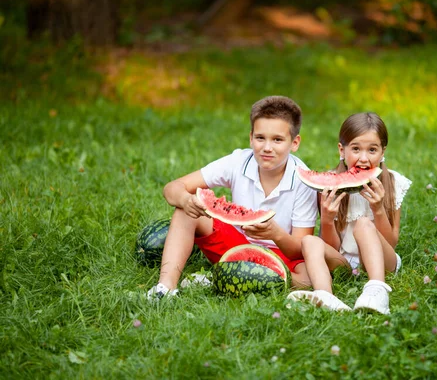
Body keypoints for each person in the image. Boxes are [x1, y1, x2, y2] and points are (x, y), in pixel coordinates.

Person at [147, 96, 318, 299]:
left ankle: (218, 277)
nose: (267, 147)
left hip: (280, 253)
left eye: (278, 140)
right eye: (260, 138)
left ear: (295, 143)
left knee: (308, 278)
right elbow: (172, 187)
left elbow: (299, 249)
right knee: (186, 211)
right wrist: (186, 200)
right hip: (234, 245)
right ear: (250, 138)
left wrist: (276, 234)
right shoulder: (238, 161)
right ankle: (164, 288)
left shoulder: (303, 180)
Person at [287, 112, 411, 314]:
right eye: (355, 149)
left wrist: (378, 210)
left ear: (382, 152)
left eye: (372, 150)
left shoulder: (394, 183)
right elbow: (332, 246)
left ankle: (377, 289)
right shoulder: (331, 186)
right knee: (309, 242)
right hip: (345, 263)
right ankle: (325, 296)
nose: (363, 158)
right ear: (342, 150)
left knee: (363, 223)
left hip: (384, 261)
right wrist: (327, 220)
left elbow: (392, 243)